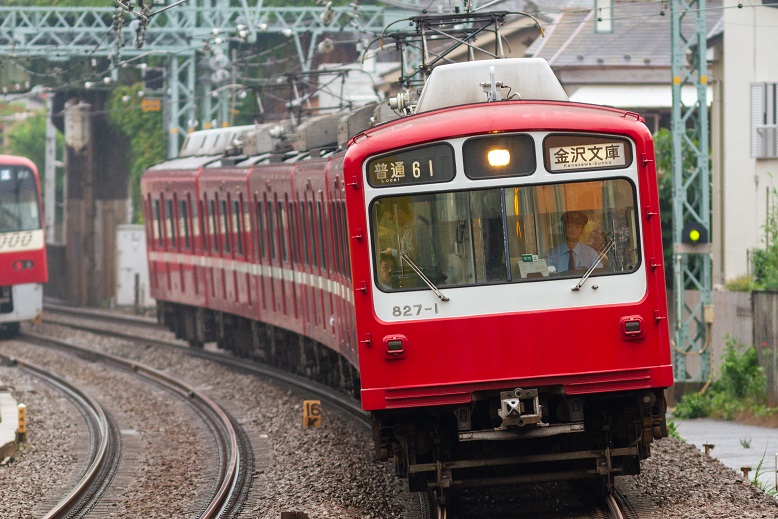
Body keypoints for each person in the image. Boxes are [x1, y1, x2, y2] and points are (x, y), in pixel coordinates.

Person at [382, 204, 437, 269]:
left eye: (392, 218)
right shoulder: (408, 229)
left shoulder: (415, 227)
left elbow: (413, 256)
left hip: (422, 271)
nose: (393, 222)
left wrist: (392, 251)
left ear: (400, 213)